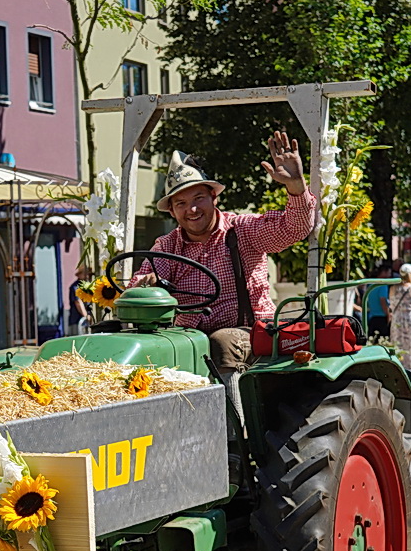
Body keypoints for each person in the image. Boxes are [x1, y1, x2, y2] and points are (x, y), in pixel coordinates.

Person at [128, 136, 314, 424]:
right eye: (181, 203)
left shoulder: (242, 230)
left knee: (221, 342)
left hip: (252, 332)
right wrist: (144, 285)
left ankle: (233, 436)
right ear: (172, 211)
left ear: (214, 198)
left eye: (198, 198)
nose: (191, 209)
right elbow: (138, 285)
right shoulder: (167, 246)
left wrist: (295, 186)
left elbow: (295, 228)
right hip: (191, 339)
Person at [387, 264, 411, 379]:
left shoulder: (393, 288)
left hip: (397, 318)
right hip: (410, 318)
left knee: (398, 343)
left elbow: (391, 304)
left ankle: (399, 369)